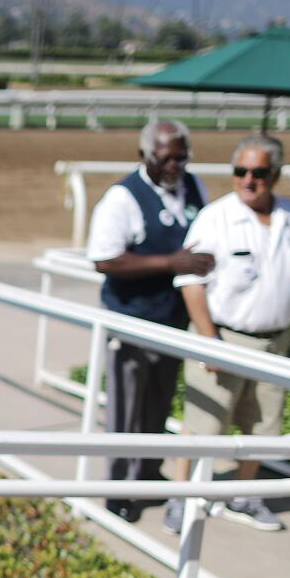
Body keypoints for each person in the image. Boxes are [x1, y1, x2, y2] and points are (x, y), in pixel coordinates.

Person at [164, 133, 290, 534]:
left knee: (264, 426)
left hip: (275, 342)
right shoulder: (216, 217)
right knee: (204, 423)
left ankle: (244, 495)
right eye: (240, 171)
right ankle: (183, 496)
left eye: (259, 172)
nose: (248, 179)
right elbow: (190, 282)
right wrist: (209, 340)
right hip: (224, 340)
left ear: (276, 174)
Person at [86, 120, 215, 523]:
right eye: (166, 158)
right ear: (145, 156)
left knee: (159, 403)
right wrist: (170, 262)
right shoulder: (123, 197)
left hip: (172, 322)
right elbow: (104, 258)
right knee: (128, 409)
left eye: (182, 156)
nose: (175, 165)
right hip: (133, 321)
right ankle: (120, 490)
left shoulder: (195, 188)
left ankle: (146, 473)